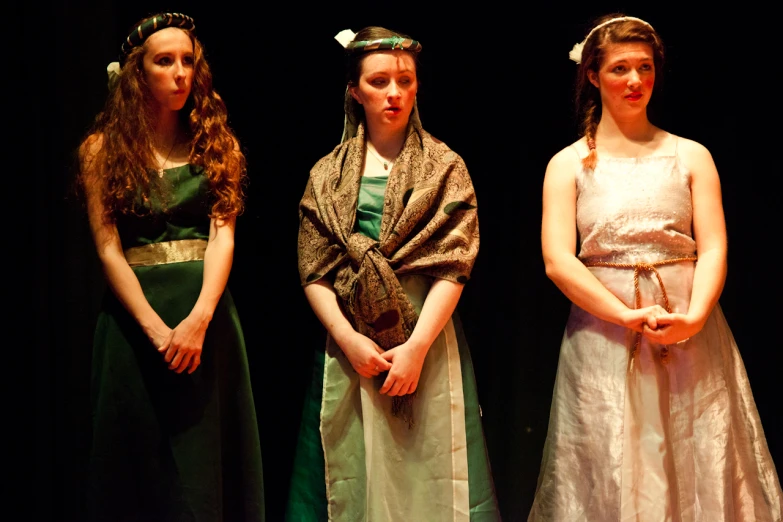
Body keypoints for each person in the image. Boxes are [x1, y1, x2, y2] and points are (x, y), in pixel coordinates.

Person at [528, 14, 782, 521]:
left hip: (690, 330)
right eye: (620, 68)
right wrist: (624, 317)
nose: (635, 80)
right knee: (611, 454)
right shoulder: (568, 164)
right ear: (593, 76)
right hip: (603, 337)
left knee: (695, 447)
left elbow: (713, 248)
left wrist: (694, 318)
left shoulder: (690, 155)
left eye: (644, 67)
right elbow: (558, 261)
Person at [286, 26, 501, 522]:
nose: (394, 92)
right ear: (354, 92)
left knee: (430, 468)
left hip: (425, 336)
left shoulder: (445, 167)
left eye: (404, 80)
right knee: (352, 470)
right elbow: (313, 268)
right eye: (379, 81)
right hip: (351, 345)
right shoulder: (327, 174)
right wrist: (346, 337)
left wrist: (417, 348)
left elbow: (455, 263)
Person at [77, 12, 264, 521]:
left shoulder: (217, 146)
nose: (180, 72)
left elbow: (223, 236)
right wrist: (158, 331)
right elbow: (108, 248)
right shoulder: (100, 151)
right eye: (165, 62)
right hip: (134, 326)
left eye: (187, 61)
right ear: (138, 73)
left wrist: (199, 319)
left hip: (205, 321)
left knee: (204, 463)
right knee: (136, 467)